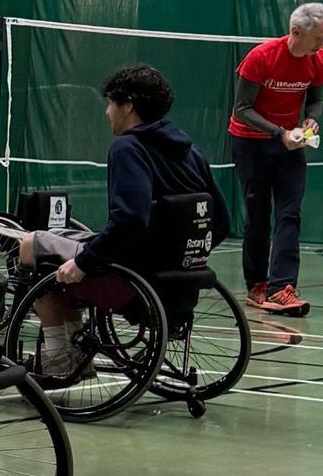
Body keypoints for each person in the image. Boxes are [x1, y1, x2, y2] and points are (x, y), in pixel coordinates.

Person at [16, 65, 231, 382]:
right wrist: (181, 257)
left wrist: (85, 262)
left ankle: (59, 355)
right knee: (68, 239)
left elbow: (131, 219)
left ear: (127, 104)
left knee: (32, 245)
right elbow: (221, 223)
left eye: (109, 104)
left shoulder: (128, 147)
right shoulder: (192, 152)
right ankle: (69, 351)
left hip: (132, 277)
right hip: (181, 279)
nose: (106, 112)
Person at [229, 1, 323, 315]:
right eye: (318, 39)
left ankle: (282, 287)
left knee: (290, 213)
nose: (321, 45)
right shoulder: (261, 57)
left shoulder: (316, 60)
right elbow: (241, 109)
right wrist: (279, 132)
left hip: (290, 147)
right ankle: (257, 284)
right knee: (258, 217)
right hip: (252, 144)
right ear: (296, 31)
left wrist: (310, 121)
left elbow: (316, 100)